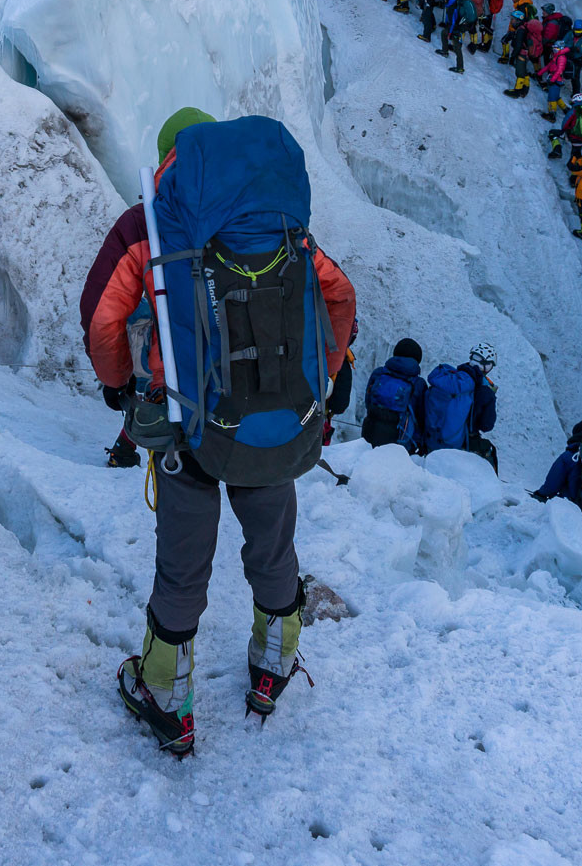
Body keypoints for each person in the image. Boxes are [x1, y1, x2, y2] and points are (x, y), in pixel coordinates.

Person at [88, 109, 356, 752]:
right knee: (273, 545)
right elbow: (339, 294)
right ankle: (273, 666)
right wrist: (324, 373)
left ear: (169, 159)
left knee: (184, 564)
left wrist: (119, 384)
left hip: (187, 426)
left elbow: (102, 318)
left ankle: (166, 695)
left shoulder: (148, 225)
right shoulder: (277, 224)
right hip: (274, 417)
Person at [80, 158, 162, 470]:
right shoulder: (267, 217)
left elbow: (102, 314)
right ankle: (124, 448)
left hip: (172, 374)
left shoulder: (146, 222)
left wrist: (115, 379)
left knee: (155, 394)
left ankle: (125, 449)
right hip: (255, 374)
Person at [361, 339, 423, 449]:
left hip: (370, 432)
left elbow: (368, 401)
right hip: (399, 441)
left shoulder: (379, 373)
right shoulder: (418, 383)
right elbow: (420, 417)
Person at [454, 343, 500, 470]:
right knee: (489, 451)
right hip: (465, 440)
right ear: (486, 365)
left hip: (438, 434)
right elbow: (487, 426)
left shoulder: (454, 377)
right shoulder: (486, 391)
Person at [548, 92, 582, 160]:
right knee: (575, 156)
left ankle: (557, 150)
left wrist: (564, 132)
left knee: (552, 133)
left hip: (572, 136)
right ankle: (579, 165)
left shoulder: (574, 110)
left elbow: (565, 124)